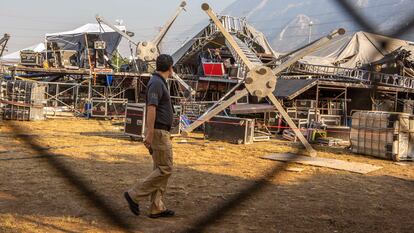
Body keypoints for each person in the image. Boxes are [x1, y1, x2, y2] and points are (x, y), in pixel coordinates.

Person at [124, 54, 175, 218]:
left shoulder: (159, 82)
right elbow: (152, 108)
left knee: (159, 168)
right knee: (165, 169)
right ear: (170, 68)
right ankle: (134, 195)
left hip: (161, 131)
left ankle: (156, 207)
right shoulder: (156, 83)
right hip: (159, 132)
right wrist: (150, 133)